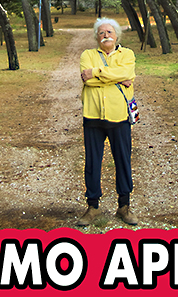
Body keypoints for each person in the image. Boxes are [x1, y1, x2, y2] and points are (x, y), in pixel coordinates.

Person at [77, 17, 138, 227]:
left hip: (119, 116)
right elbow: (88, 81)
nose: (106, 36)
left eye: (109, 32)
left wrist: (95, 72)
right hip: (93, 115)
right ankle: (92, 206)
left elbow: (127, 73)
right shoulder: (87, 55)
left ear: (117, 36)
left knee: (123, 160)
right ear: (96, 36)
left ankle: (124, 205)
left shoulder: (127, 54)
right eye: (101, 33)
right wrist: (117, 77)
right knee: (93, 162)